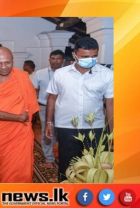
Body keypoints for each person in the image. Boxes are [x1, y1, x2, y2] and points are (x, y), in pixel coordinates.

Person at [45, 37, 114, 182]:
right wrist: (48, 123)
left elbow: (110, 104)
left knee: (96, 165)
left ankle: (93, 195)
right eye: (85, 57)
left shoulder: (107, 74)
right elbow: (51, 98)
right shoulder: (60, 74)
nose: (90, 59)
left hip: (95, 126)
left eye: (94, 56)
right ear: (75, 55)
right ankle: (66, 193)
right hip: (66, 126)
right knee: (67, 163)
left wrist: (113, 132)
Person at [0, 47, 39, 183]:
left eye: (7, 63)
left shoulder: (21, 76)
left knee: (20, 168)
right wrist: (18, 118)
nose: (3, 67)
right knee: (1, 167)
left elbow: (30, 102)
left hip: (20, 133)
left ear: (13, 61)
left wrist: (24, 118)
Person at [31, 50, 65, 169]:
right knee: (47, 132)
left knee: (63, 133)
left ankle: (64, 157)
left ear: (63, 60)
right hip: (45, 107)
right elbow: (33, 90)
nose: (55, 61)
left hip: (63, 108)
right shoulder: (40, 73)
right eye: (52, 58)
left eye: (58, 58)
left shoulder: (68, 73)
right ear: (49, 60)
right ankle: (49, 158)